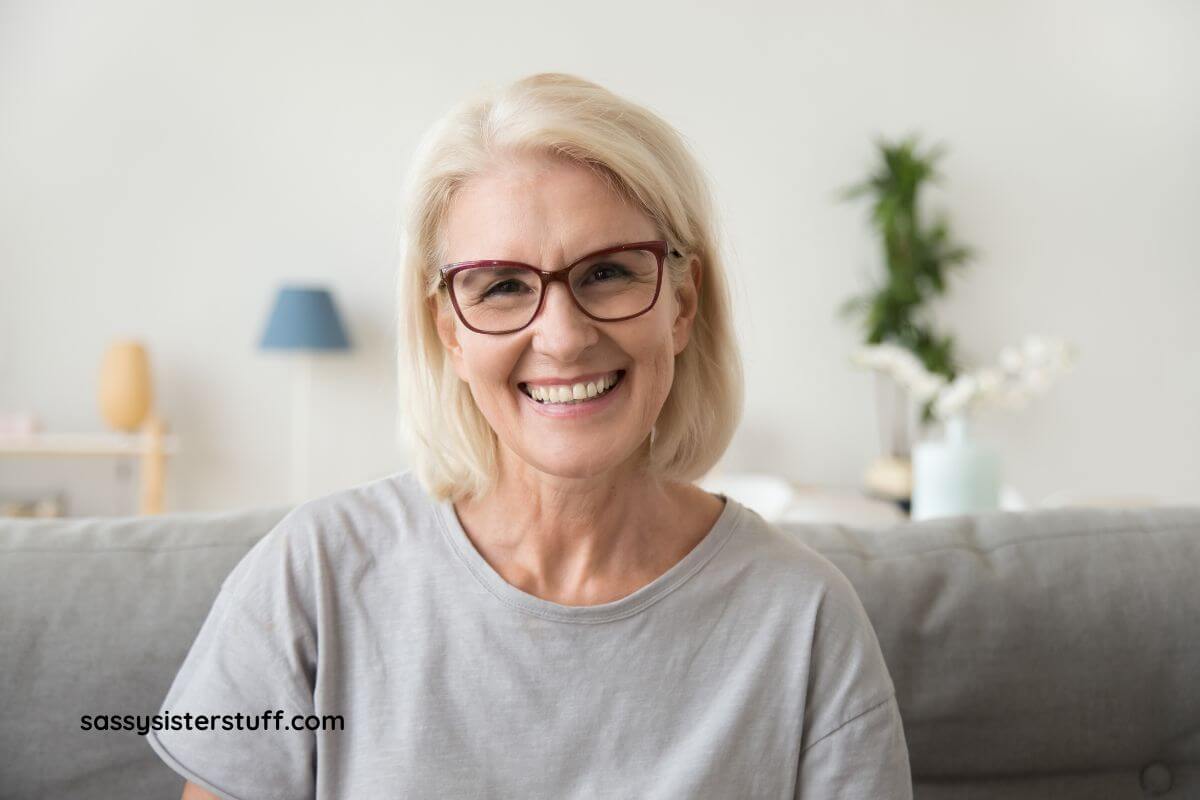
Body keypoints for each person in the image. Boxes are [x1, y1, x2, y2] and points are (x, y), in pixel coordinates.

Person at [149, 72, 912, 799]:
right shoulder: (311, 576)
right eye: (504, 286)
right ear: (448, 328)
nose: (564, 337)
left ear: (681, 304)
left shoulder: (805, 619)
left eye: (608, 272)